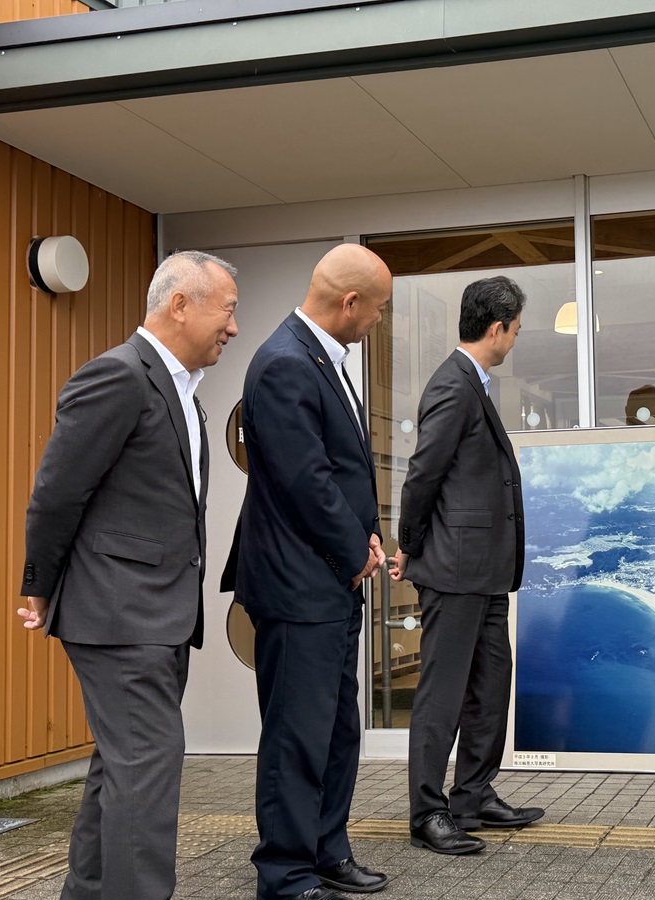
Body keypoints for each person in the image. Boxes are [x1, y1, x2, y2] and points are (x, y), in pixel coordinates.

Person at [18, 250, 239, 900]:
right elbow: (57, 493)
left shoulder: (182, 395)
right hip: (119, 617)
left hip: (157, 618)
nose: (232, 327)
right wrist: (39, 583)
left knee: (121, 772)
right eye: (226, 311)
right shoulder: (117, 378)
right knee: (146, 776)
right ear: (180, 304)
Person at [225, 244, 391, 900]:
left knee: (337, 730)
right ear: (349, 303)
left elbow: (339, 474)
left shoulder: (319, 357)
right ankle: (285, 874)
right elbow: (307, 482)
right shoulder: (284, 363)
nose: (378, 320)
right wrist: (355, 552)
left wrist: (368, 538)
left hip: (325, 582)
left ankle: (327, 850)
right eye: (376, 309)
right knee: (297, 737)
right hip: (298, 588)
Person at [390, 275, 544, 855]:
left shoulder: (473, 383)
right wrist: (409, 544)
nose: (515, 341)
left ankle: (473, 794)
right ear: (497, 327)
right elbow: (423, 474)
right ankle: (427, 811)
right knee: (444, 692)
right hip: (453, 570)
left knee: (489, 684)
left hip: (484, 571)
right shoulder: (453, 385)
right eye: (517, 330)